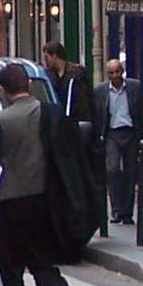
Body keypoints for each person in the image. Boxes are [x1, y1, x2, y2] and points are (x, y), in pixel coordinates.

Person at [0, 63, 75, 286]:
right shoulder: (49, 113)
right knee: (42, 261)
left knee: (11, 269)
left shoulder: (1, 120)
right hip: (43, 198)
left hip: (13, 199)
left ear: (2, 89)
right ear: (30, 85)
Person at [41, 40, 102, 229]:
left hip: (74, 133)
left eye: (46, 57)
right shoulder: (48, 77)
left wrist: (82, 128)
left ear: (54, 55)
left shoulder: (77, 74)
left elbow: (85, 105)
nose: (45, 62)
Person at [99, 58, 143, 227]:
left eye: (117, 71)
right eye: (111, 72)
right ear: (107, 74)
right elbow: (97, 115)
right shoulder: (100, 91)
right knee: (113, 169)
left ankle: (127, 213)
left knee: (131, 173)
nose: (115, 75)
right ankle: (116, 209)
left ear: (122, 71)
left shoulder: (135, 87)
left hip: (131, 132)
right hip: (112, 134)